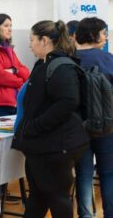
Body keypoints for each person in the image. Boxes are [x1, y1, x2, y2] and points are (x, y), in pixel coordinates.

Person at [11, 20, 90, 218]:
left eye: (32, 40)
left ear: (44, 40)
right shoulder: (44, 64)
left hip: (55, 146)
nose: (29, 44)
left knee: (57, 197)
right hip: (43, 145)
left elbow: (68, 102)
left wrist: (36, 126)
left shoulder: (60, 66)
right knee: (38, 196)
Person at [74, 17, 113, 218]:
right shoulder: (109, 60)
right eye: (104, 33)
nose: (106, 37)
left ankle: (85, 215)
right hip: (107, 127)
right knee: (108, 174)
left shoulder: (69, 59)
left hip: (77, 128)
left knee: (83, 175)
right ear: (94, 34)